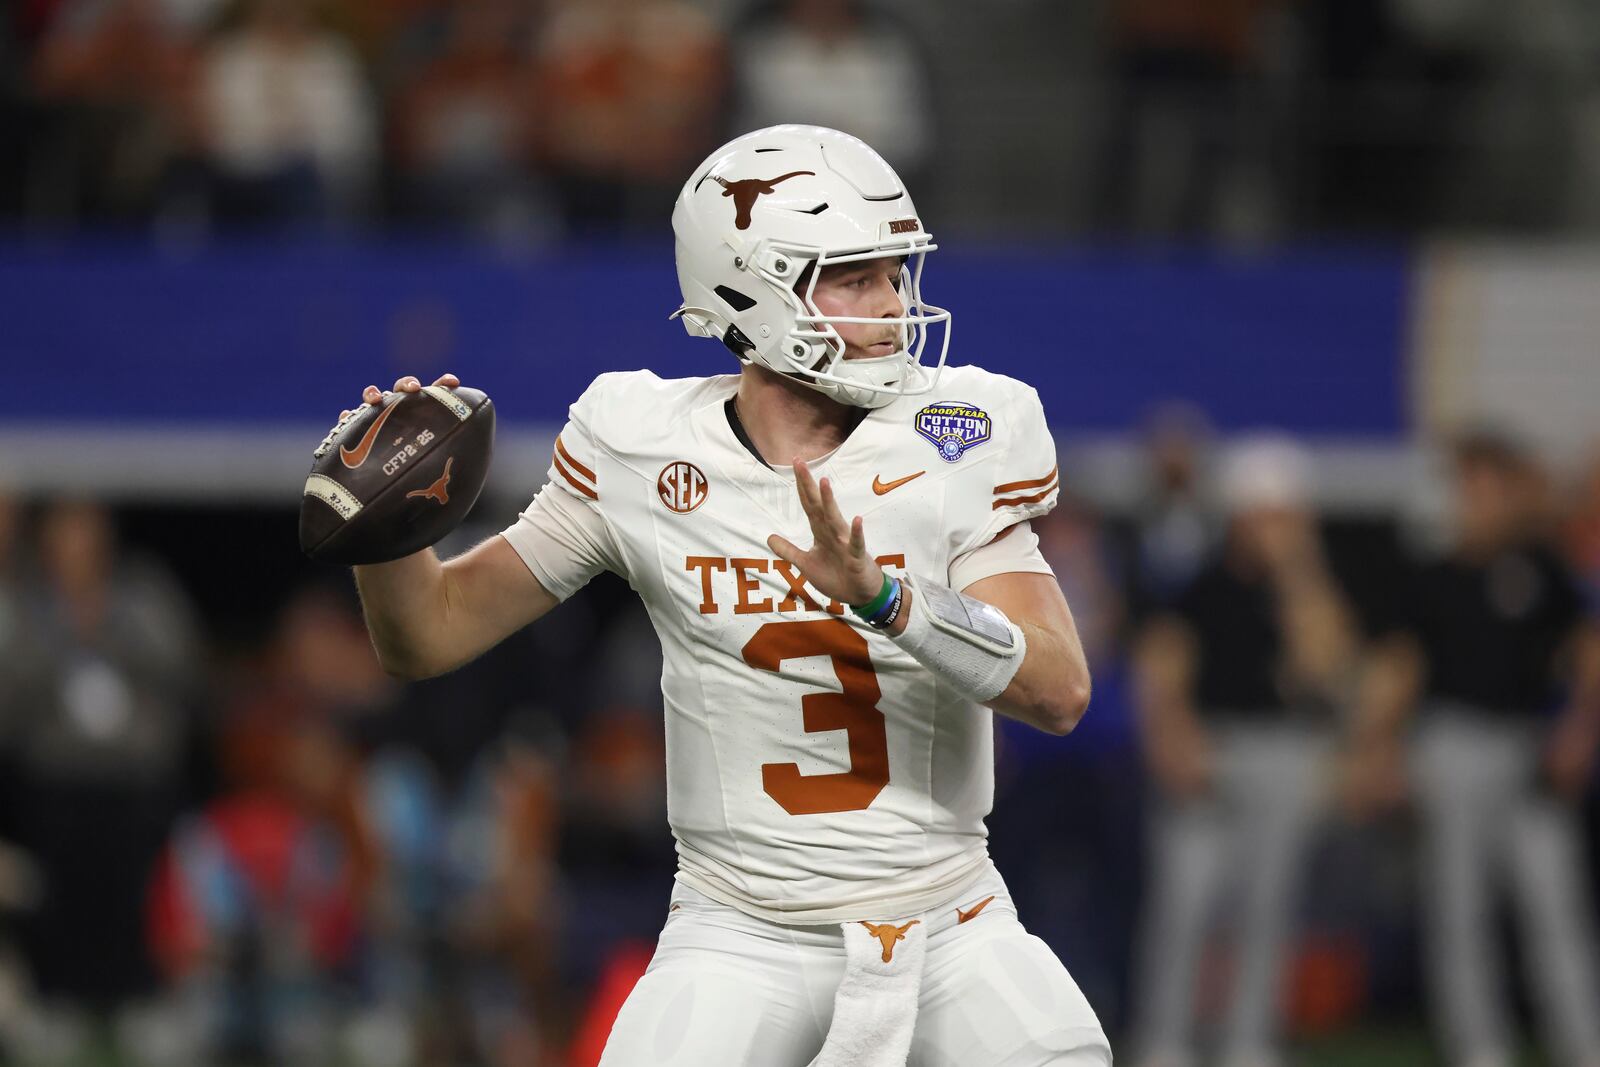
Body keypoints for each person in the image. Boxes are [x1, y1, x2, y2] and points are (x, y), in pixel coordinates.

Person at [336, 124, 1110, 1065]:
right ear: (753, 287)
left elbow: (1060, 686)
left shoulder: (962, 429)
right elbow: (430, 633)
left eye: (894, 272)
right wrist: (386, 533)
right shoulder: (641, 444)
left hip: (945, 910)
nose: (894, 302)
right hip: (741, 922)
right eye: (855, 276)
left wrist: (886, 599)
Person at [1349, 432, 1600, 1067]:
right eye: (1471, 489)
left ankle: (1583, 1042)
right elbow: (1399, 669)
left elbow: (1586, 654)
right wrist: (1380, 751)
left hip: (1529, 749)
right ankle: (1478, 1048)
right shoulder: (1433, 577)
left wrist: (1580, 729)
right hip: (1453, 743)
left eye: (1491, 488)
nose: (1479, 502)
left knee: (1554, 902)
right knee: (1459, 907)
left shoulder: (1540, 571)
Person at [1129, 437, 1361, 1067]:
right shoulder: (1202, 584)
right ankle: (1166, 1041)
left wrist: (1297, 572)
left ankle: (1248, 1041)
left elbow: (1328, 671)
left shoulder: (1308, 587)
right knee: (1186, 902)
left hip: (1284, 750)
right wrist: (1173, 739)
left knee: (1270, 906)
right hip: (1212, 746)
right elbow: (1162, 666)